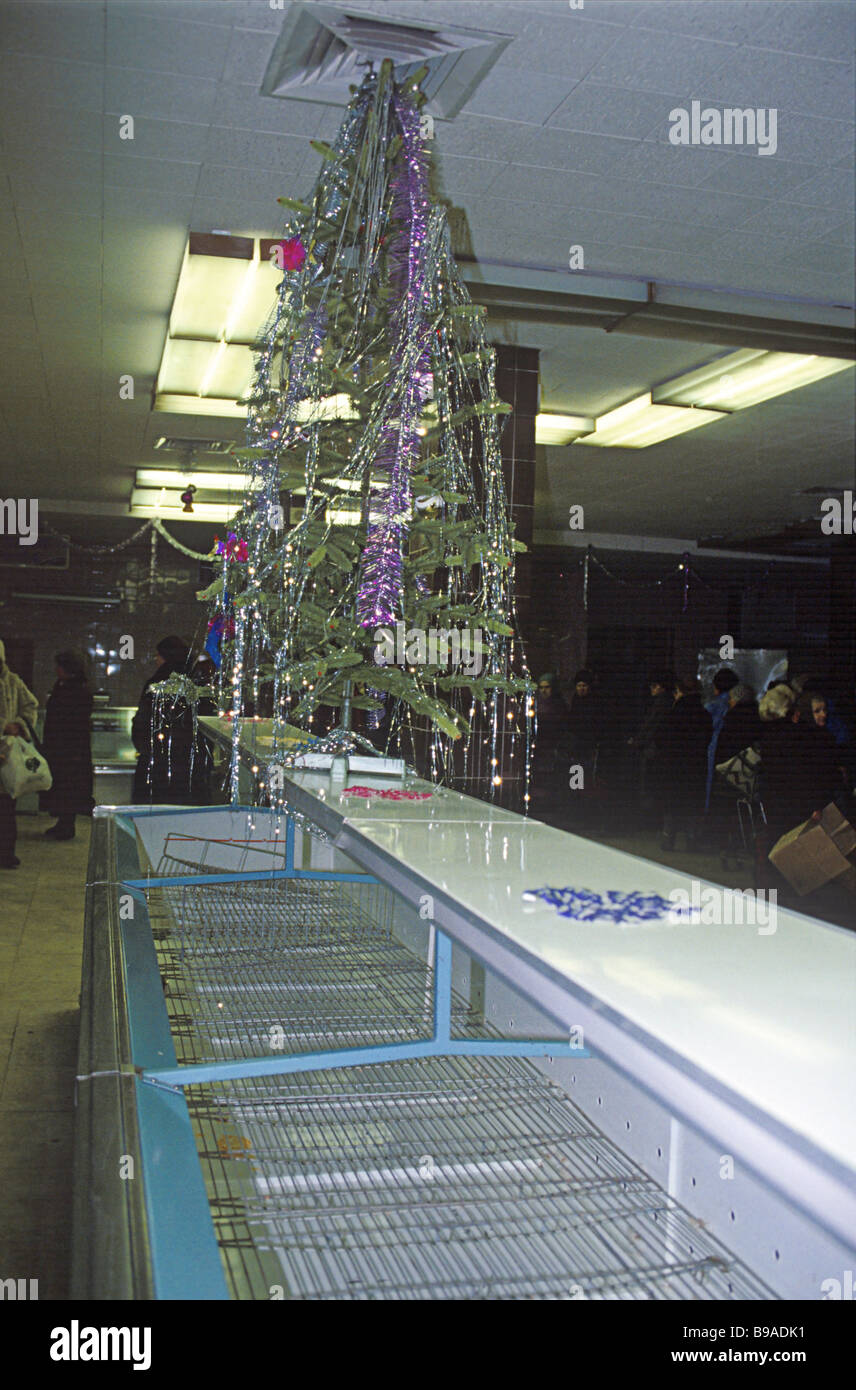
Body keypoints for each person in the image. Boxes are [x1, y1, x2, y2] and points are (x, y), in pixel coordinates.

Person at [131, 636, 214, 805]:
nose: (156, 660)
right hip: (190, 766)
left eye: (158, 656)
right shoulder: (198, 685)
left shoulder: (156, 685)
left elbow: (142, 723)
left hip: (157, 765)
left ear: (166, 657)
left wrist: (143, 747)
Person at [41, 650, 94, 840]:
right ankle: (64, 822)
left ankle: (66, 824)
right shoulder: (73, 687)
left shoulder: (73, 690)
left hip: (68, 748)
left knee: (66, 786)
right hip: (66, 747)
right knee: (65, 787)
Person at [658, 677, 712, 850]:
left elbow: (664, 739)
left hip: (674, 764)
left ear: (680, 692)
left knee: (672, 803)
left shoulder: (673, 713)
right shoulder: (704, 714)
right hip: (696, 764)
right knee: (692, 802)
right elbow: (706, 739)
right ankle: (692, 839)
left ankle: (668, 838)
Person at [0, 638, 39, 869]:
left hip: (8, 755)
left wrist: (19, 725)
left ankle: (6, 853)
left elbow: (30, 706)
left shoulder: (13, 682)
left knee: (6, 807)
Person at [628, 671, 674, 806]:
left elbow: (653, 728)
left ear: (662, 687)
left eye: (655, 686)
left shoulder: (661, 704)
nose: (652, 689)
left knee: (649, 784)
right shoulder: (663, 703)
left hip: (653, 750)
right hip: (653, 748)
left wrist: (638, 742)